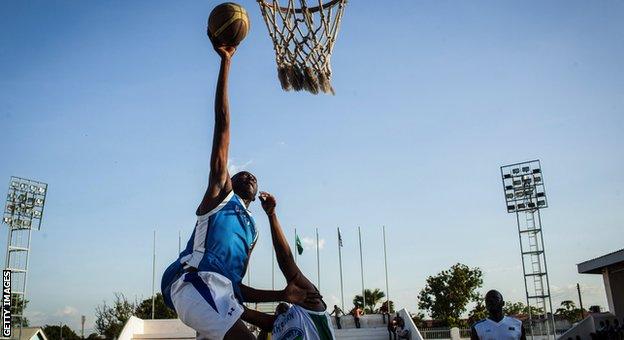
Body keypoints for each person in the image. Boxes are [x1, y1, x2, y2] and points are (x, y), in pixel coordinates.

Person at [160, 44, 315, 340]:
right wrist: (226, 63)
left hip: (221, 296)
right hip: (193, 282)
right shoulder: (221, 195)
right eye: (242, 173)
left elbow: (237, 287)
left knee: (273, 325)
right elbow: (222, 125)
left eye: (253, 176)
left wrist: (281, 293)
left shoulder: (252, 230)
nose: (248, 176)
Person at [246, 191, 336, 339]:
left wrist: (272, 215)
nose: (281, 305)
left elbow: (286, 259)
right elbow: (239, 308)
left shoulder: (310, 302)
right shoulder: (275, 324)